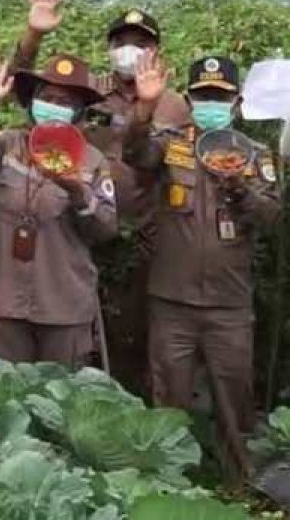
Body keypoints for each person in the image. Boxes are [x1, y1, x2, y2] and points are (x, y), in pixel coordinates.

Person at [12, 0, 189, 387]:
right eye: (121, 42)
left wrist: (144, 110)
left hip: (140, 237)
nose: (130, 49)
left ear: (156, 51)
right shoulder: (92, 92)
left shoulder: (172, 103)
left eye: (141, 43)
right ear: (109, 47)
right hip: (76, 225)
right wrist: (33, 35)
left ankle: (129, 422)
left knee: (131, 335)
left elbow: (150, 158)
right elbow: (22, 88)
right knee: (77, 331)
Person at [125, 53, 281, 485]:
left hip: (229, 306)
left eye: (220, 97)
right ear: (191, 99)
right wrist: (143, 107)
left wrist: (241, 190)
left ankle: (239, 486)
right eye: (203, 95)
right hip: (171, 302)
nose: (211, 103)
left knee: (235, 402)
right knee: (168, 403)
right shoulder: (170, 144)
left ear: (237, 103)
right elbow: (134, 152)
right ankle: (166, 485)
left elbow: (272, 216)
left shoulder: (255, 155)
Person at [0, 54, 118, 367]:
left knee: (61, 403)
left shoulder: (92, 161)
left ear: (79, 110)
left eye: (65, 101)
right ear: (33, 102)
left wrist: (77, 192)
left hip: (64, 306)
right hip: (7, 302)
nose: (54, 105)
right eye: (47, 97)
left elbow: (106, 229)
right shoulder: (8, 145)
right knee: (8, 399)